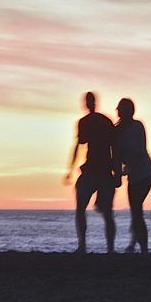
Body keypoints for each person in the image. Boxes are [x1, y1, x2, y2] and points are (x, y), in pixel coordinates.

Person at [64, 92, 120, 254]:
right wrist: (71, 169)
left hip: (103, 171)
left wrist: (117, 172)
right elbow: (79, 145)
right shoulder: (87, 122)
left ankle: (109, 248)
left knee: (107, 212)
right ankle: (83, 245)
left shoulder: (103, 122)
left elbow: (114, 147)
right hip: (91, 170)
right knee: (82, 207)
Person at [114, 98, 151, 254]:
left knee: (137, 209)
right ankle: (134, 243)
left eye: (120, 109)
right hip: (133, 174)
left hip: (144, 172)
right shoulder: (117, 131)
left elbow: (139, 150)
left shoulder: (137, 126)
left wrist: (123, 169)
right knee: (135, 210)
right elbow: (116, 155)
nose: (118, 112)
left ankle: (143, 247)